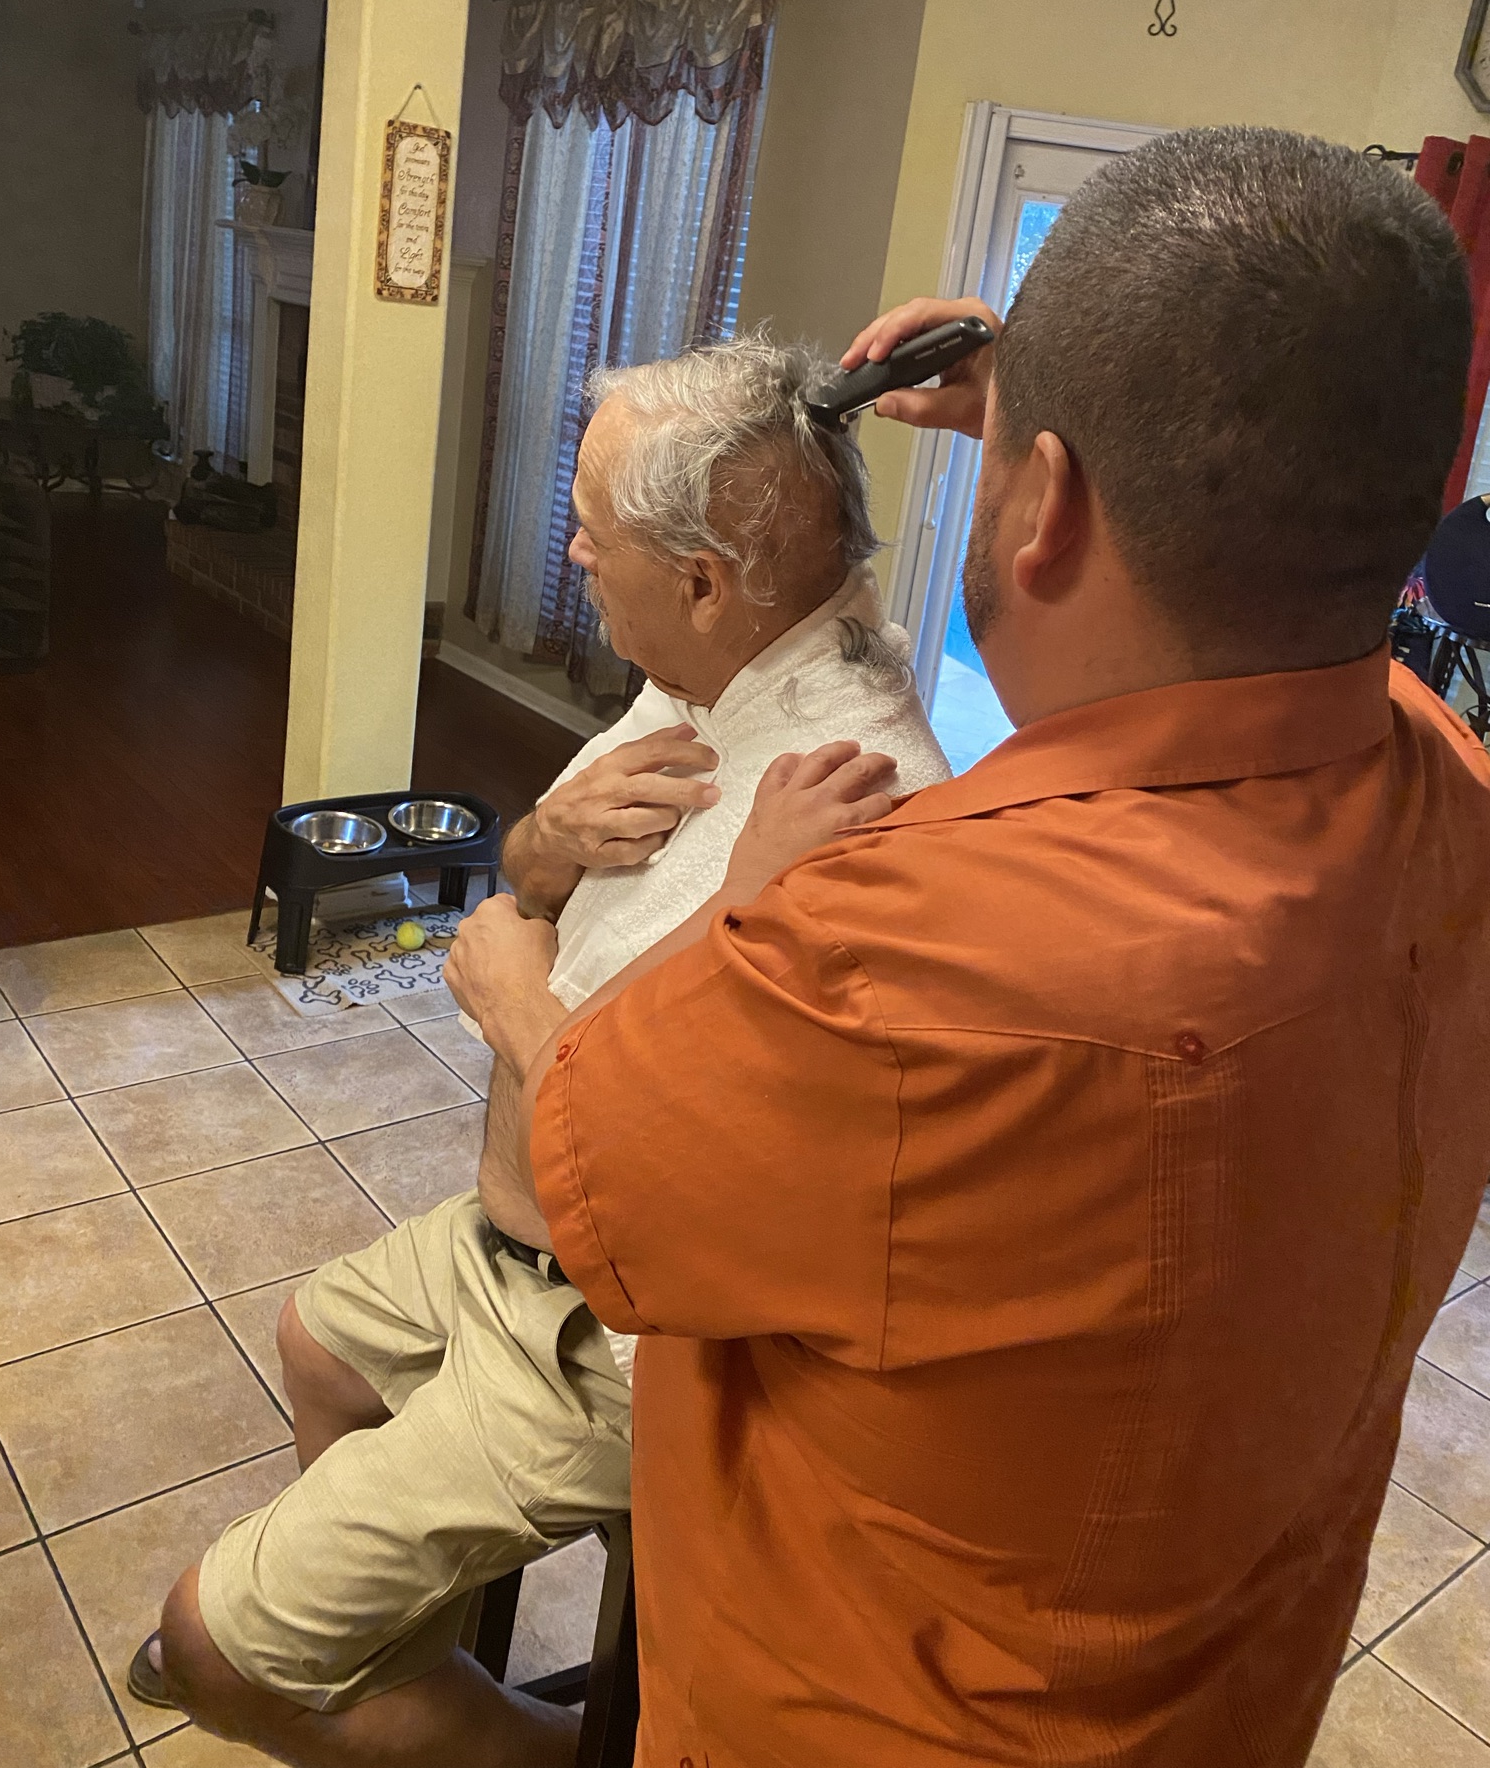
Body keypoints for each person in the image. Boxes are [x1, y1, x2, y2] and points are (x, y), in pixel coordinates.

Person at [449, 127, 1490, 1767]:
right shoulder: (1450, 789)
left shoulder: (912, 944)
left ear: (1048, 504)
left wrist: (518, 983)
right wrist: (1051, 401)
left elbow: (595, 1191)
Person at [137, 335, 948, 1765]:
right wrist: (545, 848)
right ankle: (410, 1680)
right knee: (316, 1346)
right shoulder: (697, 683)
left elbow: (704, 1158)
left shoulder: (848, 803)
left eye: (593, 528)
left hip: (609, 1331)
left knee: (206, 1647)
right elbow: (522, 884)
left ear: (703, 576)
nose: (568, 550)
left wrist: (515, 1000)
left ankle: (539, 1751)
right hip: (507, 1243)